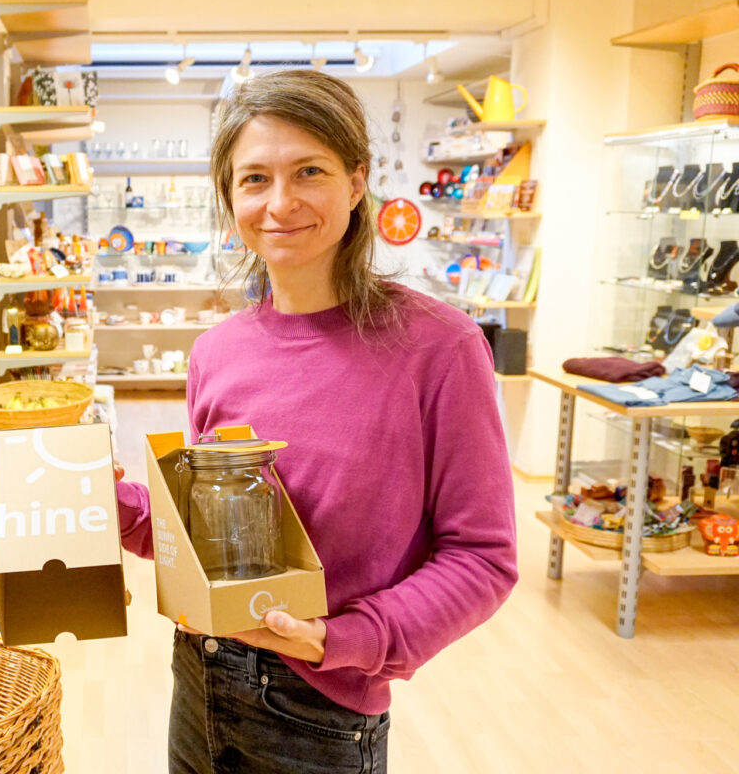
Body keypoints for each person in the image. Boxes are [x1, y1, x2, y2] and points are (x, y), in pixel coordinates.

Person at [112, 69, 518, 774]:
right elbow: (211, 534)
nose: (280, 203)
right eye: (254, 180)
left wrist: (347, 639)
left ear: (357, 181)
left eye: (309, 171)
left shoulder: (439, 347)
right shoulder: (217, 352)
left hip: (319, 715)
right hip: (199, 679)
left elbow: (483, 557)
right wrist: (104, 501)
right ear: (229, 196)